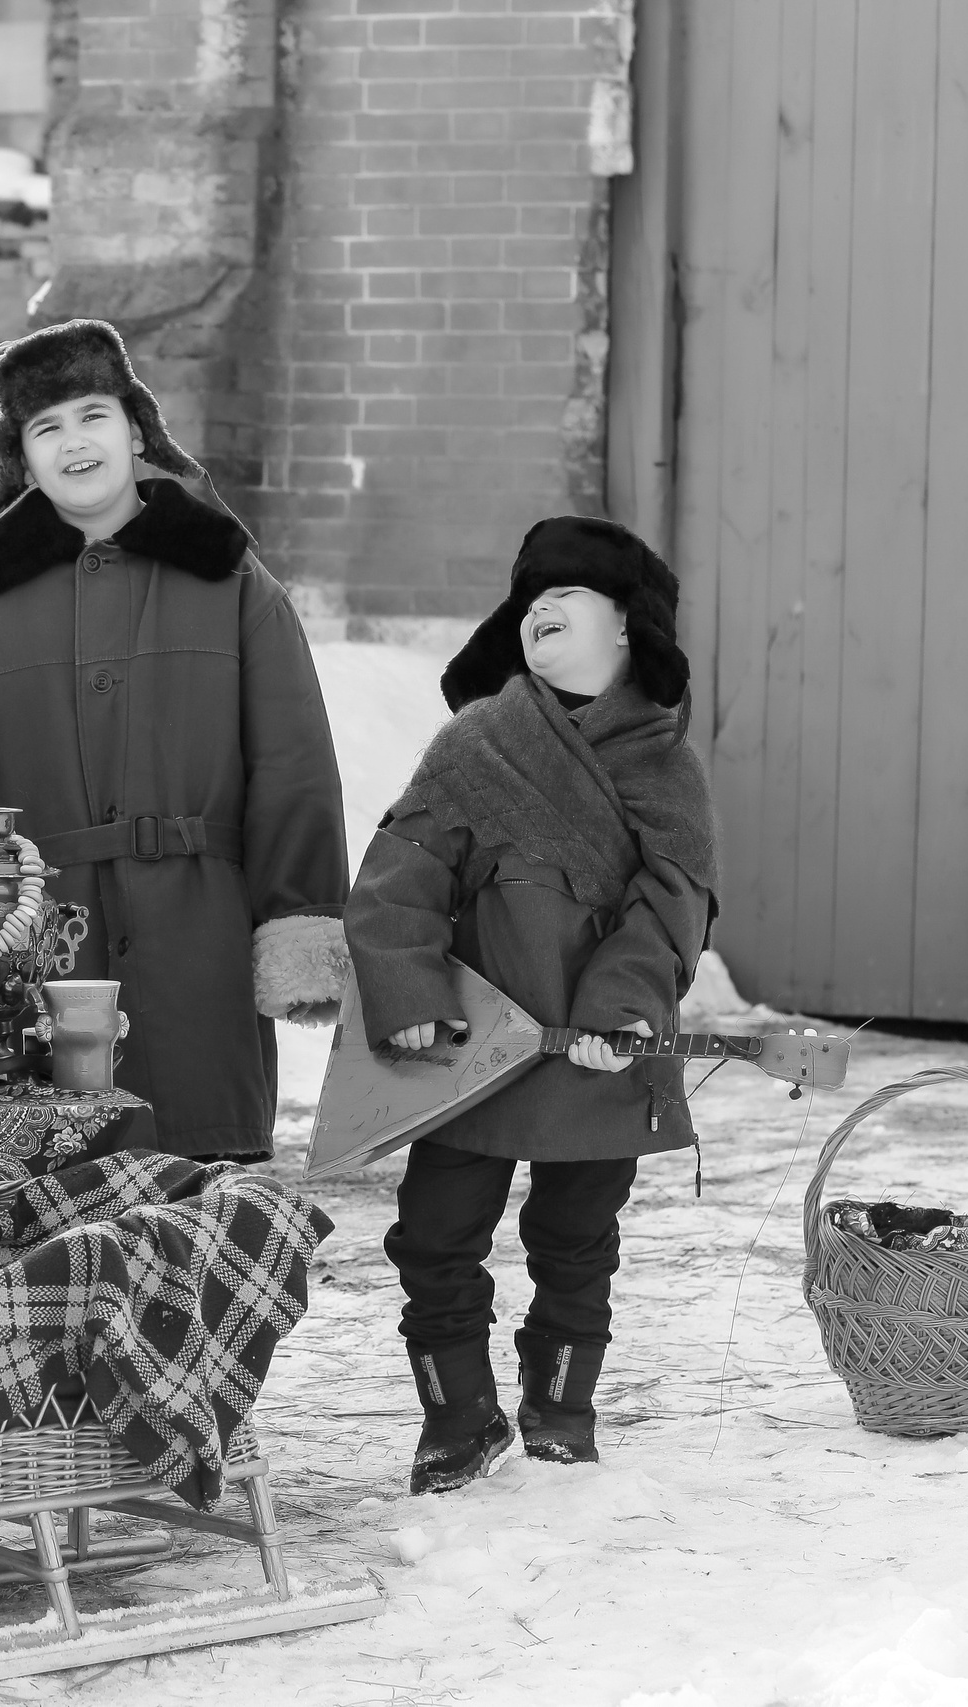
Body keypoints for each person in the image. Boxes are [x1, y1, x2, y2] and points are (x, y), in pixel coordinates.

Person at [0, 318, 350, 1161]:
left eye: (92, 415)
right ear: (21, 460)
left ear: (136, 431)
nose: (74, 441)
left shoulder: (233, 581)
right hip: (38, 958)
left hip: (200, 952)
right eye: (46, 428)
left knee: (203, 1195)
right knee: (44, 1190)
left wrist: (298, 916)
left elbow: (293, 764)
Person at [342, 516, 718, 1495]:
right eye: (530, 596)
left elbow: (670, 908)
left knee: (576, 1242)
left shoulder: (666, 767)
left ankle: (560, 1412)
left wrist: (621, 1009)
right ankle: (457, 1416)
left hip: (601, 1056)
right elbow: (398, 878)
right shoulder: (476, 745)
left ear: (627, 623)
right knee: (432, 1234)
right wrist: (410, 989)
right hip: (475, 1052)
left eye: (568, 591)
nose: (540, 606)